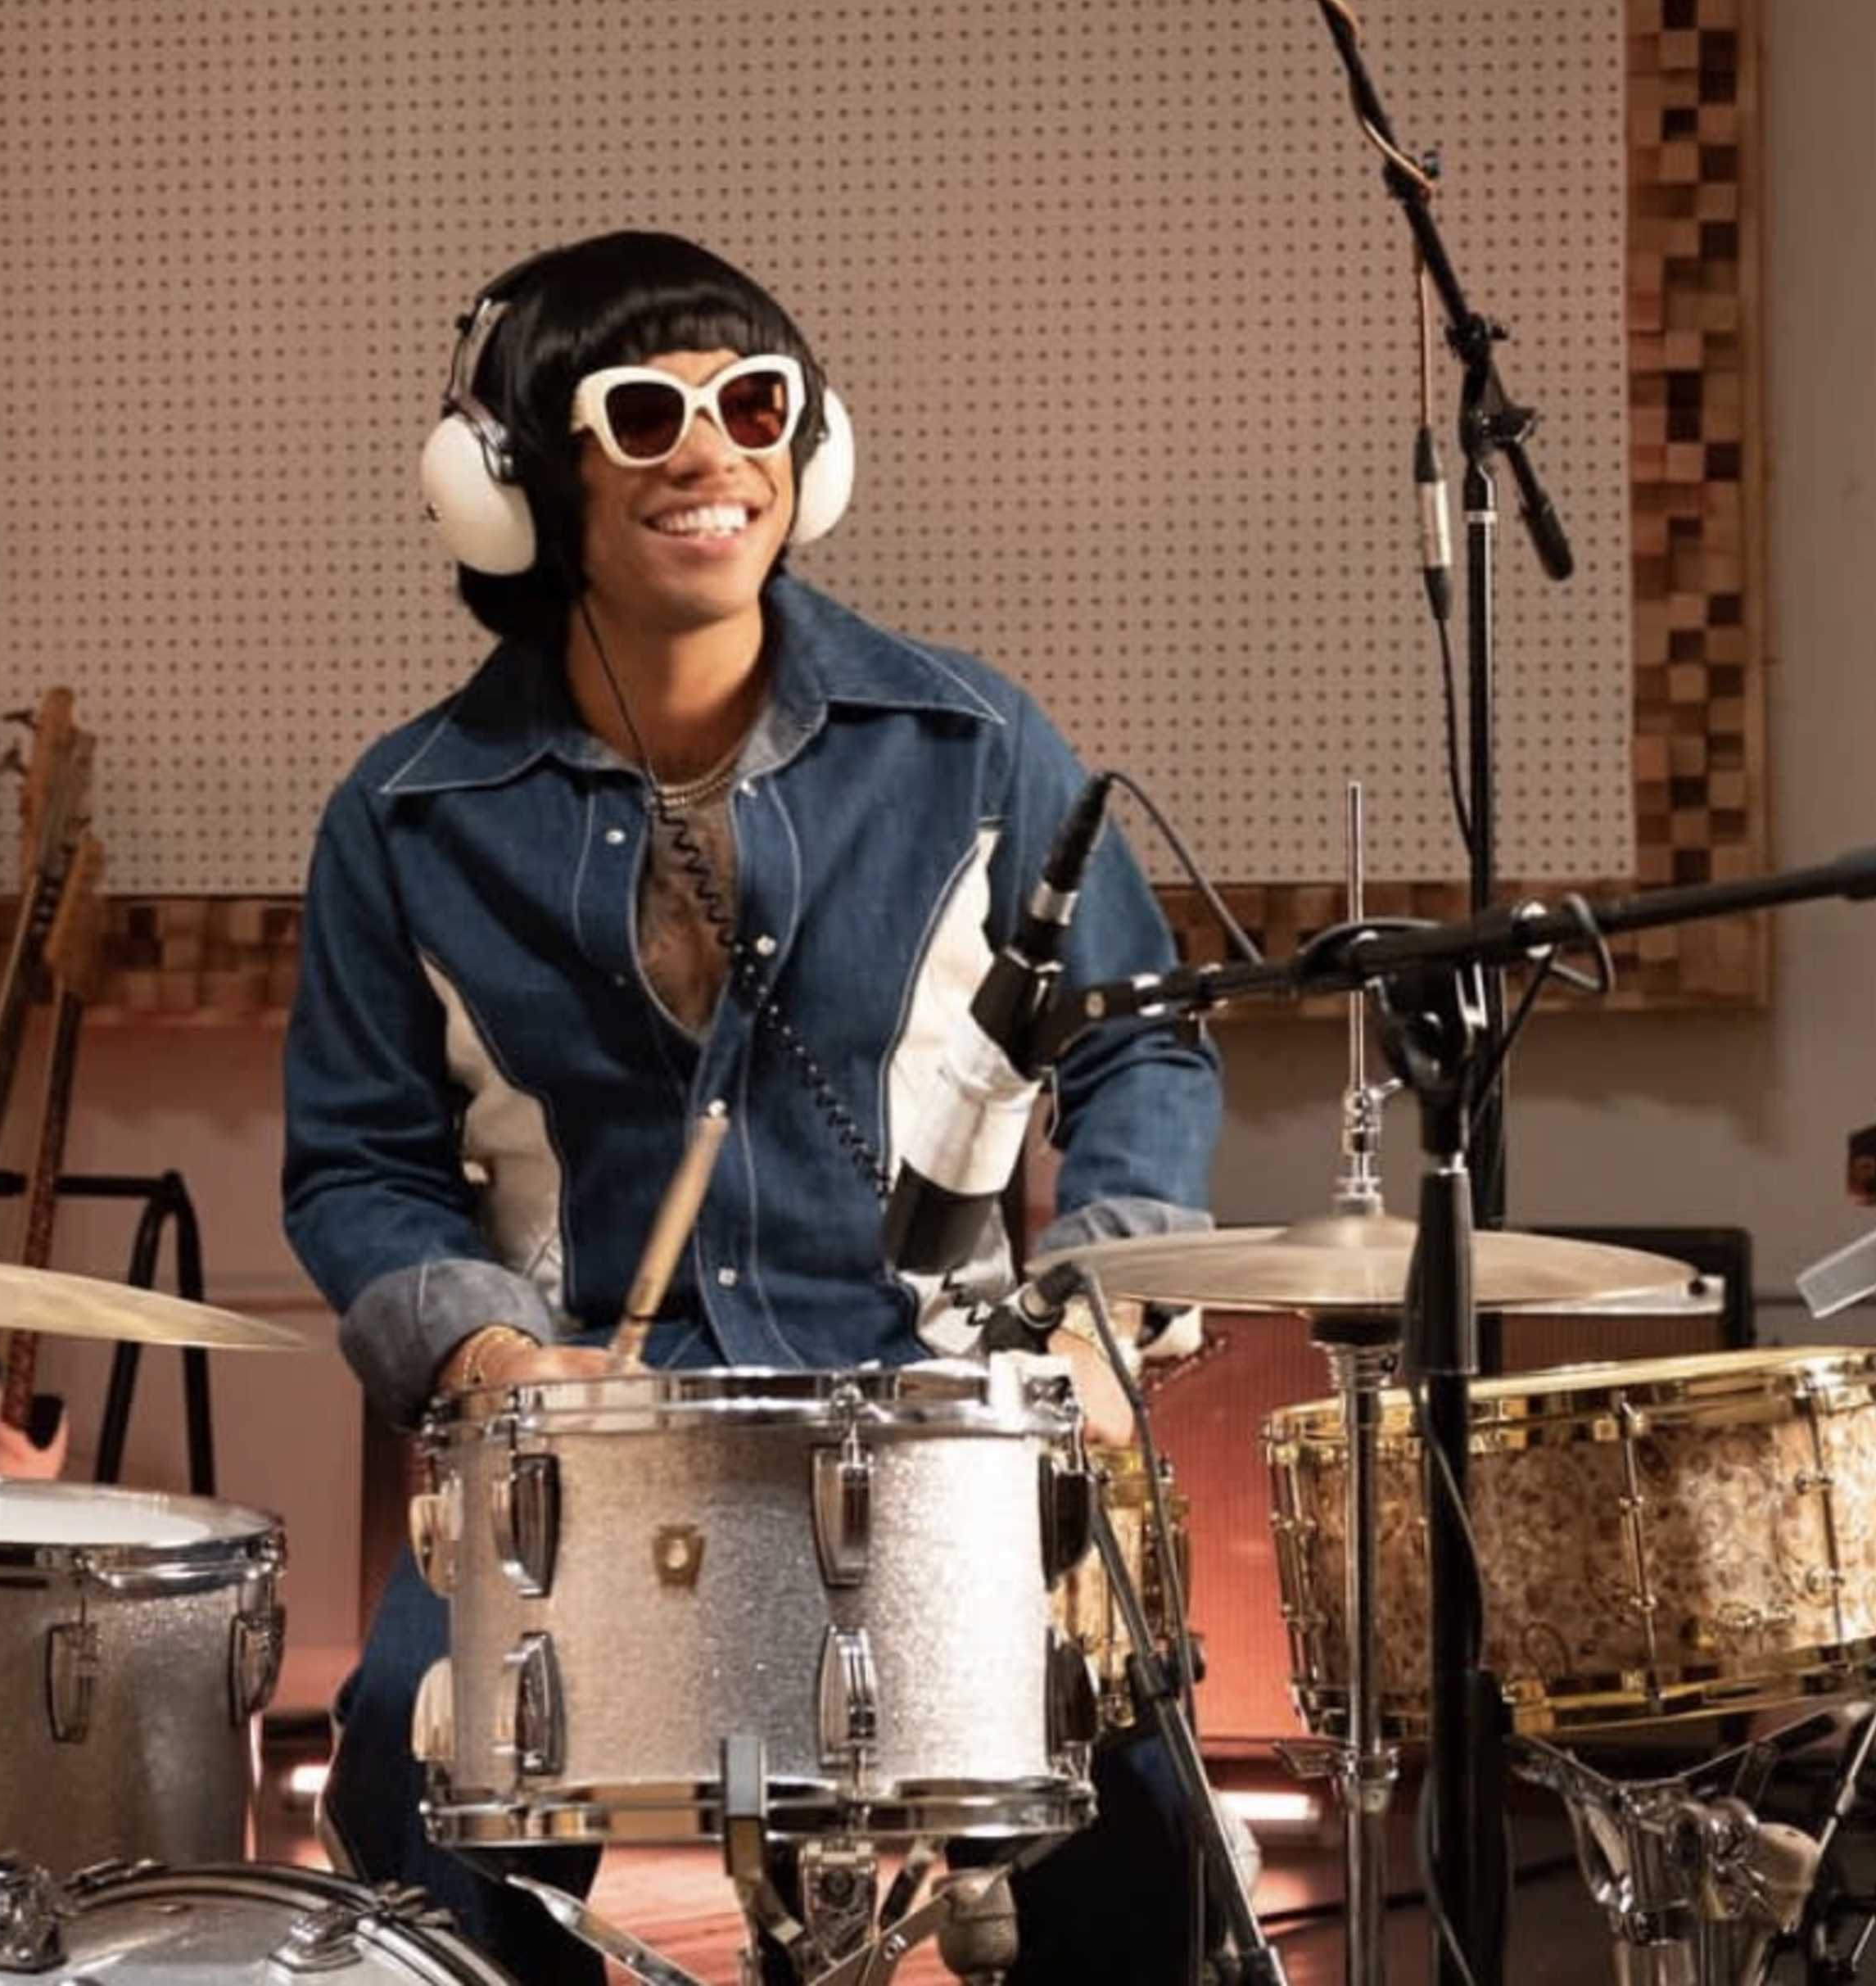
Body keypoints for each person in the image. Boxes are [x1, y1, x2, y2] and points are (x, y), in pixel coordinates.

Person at [283, 231, 1225, 1981]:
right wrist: (491, 1360)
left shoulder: (971, 745)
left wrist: (1095, 1311)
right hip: (574, 1460)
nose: (711, 453)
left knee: (1135, 1804)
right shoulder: (403, 817)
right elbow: (358, 1164)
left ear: (814, 448)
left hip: (926, 1427)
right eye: (643, 413)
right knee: (411, 1748)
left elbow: (1140, 1047)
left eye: (756, 405)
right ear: (513, 479)